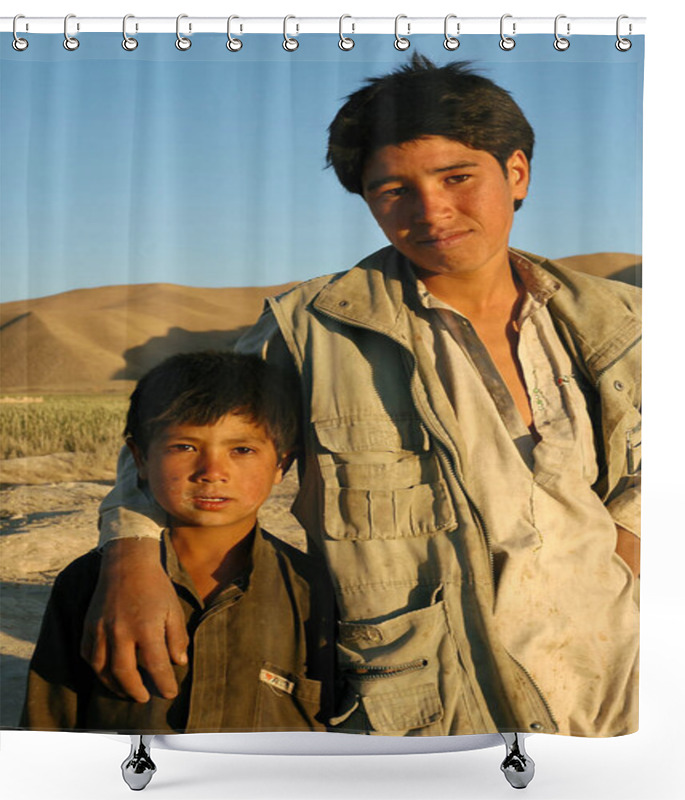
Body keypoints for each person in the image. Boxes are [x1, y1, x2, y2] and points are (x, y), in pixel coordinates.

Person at [85, 55, 641, 737]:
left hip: (615, 681)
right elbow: (182, 426)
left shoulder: (616, 323)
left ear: (516, 173)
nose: (431, 210)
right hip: (428, 701)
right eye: (393, 190)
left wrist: (622, 565)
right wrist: (131, 558)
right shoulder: (314, 327)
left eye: (457, 177)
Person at [22, 351, 335, 732]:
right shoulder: (89, 584)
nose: (212, 472)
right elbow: (49, 728)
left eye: (242, 450)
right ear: (139, 458)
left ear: (282, 465)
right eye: (184, 447)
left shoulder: (313, 591)